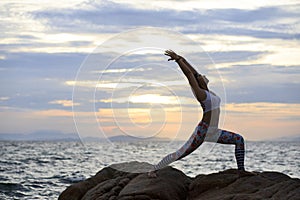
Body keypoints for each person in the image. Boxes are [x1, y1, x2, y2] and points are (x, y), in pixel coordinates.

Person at [148, 50, 254, 178]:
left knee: (239, 139)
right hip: (203, 132)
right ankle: (154, 169)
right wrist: (178, 60)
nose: (202, 76)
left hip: (213, 131)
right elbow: (189, 75)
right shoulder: (202, 95)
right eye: (200, 77)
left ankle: (241, 171)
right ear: (199, 82)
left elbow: (193, 72)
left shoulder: (209, 92)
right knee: (180, 153)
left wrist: (182, 58)